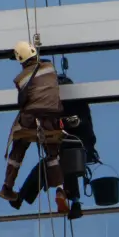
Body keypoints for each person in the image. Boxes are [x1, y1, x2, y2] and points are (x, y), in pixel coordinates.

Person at [0, 41, 69, 215]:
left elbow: (23, 101)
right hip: (51, 119)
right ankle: (60, 190)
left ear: (21, 60)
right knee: (52, 154)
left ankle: (7, 186)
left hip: (30, 119)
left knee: (19, 148)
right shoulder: (50, 68)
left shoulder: (20, 79)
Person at [14, 72, 95, 221]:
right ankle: (73, 202)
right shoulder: (65, 104)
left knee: (55, 164)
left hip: (75, 146)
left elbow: (81, 123)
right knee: (54, 165)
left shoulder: (75, 103)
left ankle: (25, 196)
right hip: (70, 146)